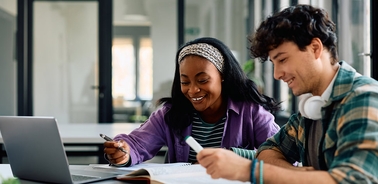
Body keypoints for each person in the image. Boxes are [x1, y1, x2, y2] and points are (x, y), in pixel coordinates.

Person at [197, 4, 378, 183]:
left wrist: (249, 171)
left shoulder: (363, 98)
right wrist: (300, 176)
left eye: (282, 59)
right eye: (274, 63)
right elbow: (268, 150)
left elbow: (354, 180)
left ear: (315, 48)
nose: (276, 74)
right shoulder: (312, 107)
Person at [103, 37, 281, 166]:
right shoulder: (169, 113)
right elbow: (136, 144)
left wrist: (233, 155)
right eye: (185, 82)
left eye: (203, 80)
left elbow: (284, 156)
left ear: (223, 77)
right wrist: (123, 152)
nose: (193, 90)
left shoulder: (252, 112)